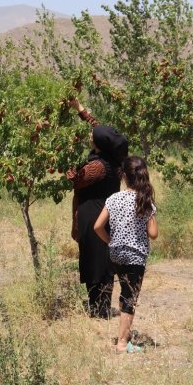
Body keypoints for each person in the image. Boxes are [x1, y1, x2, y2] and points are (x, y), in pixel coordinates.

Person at [67, 99, 129, 318]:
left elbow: (76, 180)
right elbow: (100, 130)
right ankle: (99, 305)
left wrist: (65, 158)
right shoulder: (113, 156)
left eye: (92, 137)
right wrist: (80, 109)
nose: (90, 136)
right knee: (102, 259)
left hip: (93, 215)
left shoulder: (96, 167)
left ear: (98, 145)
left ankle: (99, 308)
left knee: (94, 261)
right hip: (106, 213)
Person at [94, 156, 158, 353]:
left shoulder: (113, 199)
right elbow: (154, 234)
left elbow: (97, 226)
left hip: (115, 255)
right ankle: (122, 343)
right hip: (135, 257)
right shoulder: (144, 200)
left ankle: (125, 333)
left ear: (123, 176)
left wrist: (110, 241)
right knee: (130, 297)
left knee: (124, 292)